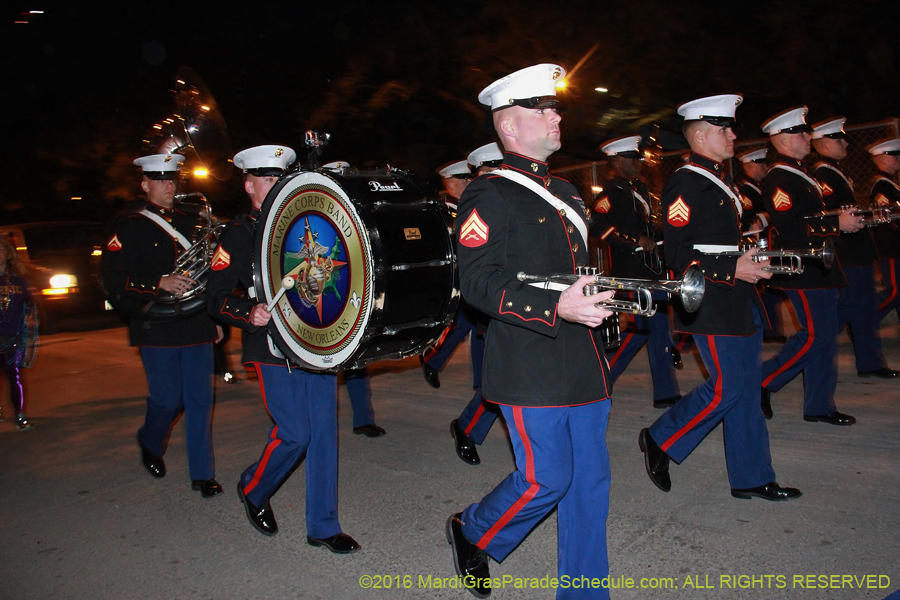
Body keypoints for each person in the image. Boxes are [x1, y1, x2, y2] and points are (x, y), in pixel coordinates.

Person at [447, 63, 616, 600]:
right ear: (508, 126)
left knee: (589, 485)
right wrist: (556, 307)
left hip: (584, 355)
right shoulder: (489, 194)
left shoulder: (564, 188)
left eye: (556, 108)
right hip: (528, 358)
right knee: (547, 479)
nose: (555, 117)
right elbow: (476, 282)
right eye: (542, 110)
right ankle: (471, 529)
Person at [637, 94, 800, 503]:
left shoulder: (719, 181)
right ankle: (659, 437)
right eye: (725, 129)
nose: (732, 135)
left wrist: (751, 260)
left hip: (736, 297)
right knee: (727, 389)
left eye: (731, 128)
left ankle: (752, 476)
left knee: (745, 390)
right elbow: (675, 252)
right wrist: (731, 269)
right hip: (708, 300)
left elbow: (718, 242)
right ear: (702, 134)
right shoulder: (685, 182)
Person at [205, 145, 359, 553]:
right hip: (271, 342)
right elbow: (215, 296)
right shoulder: (239, 233)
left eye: (281, 178)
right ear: (249, 184)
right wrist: (245, 312)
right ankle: (254, 488)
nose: (276, 186)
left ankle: (323, 526)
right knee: (294, 433)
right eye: (268, 180)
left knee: (324, 434)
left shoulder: (306, 223)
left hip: (317, 336)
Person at [102, 153, 222, 498]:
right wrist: (159, 282)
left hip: (196, 321)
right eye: (161, 180)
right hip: (156, 323)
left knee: (200, 400)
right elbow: (113, 279)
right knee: (168, 399)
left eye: (173, 180)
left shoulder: (191, 221)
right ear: (145, 184)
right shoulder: (128, 224)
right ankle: (150, 440)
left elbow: (208, 272)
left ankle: (203, 474)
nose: (169, 186)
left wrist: (215, 319)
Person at [759, 107, 861, 425]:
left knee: (826, 337)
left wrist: (839, 221)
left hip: (820, 266)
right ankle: (762, 380)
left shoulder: (802, 174)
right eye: (801, 133)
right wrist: (836, 224)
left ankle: (819, 404)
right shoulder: (778, 178)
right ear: (783, 140)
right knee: (817, 336)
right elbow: (791, 227)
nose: (808, 137)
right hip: (803, 268)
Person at [590, 135, 681, 409]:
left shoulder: (638, 188)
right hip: (631, 268)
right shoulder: (611, 193)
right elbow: (595, 225)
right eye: (630, 158)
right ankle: (602, 379)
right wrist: (633, 239)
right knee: (646, 329)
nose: (636, 162)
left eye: (637, 157)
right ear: (616, 161)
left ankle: (664, 391)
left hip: (652, 266)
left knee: (654, 328)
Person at [812, 117, 897, 379]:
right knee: (850, 305)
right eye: (839, 138)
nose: (845, 141)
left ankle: (871, 362)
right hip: (845, 250)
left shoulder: (835, 171)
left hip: (856, 250)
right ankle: (811, 349)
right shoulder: (823, 174)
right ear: (824, 144)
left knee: (865, 307)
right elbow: (830, 214)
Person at [449, 142, 506, 466]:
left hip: (521, 298)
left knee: (508, 378)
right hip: (495, 301)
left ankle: (467, 426)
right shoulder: (479, 201)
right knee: (501, 380)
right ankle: (467, 427)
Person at [420, 159, 485, 391]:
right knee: (469, 324)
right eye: (464, 178)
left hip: (470, 274)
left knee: (473, 325)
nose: (469, 182)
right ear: (449, 182)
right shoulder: (443, 210)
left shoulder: (469, 205)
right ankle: (479, 381)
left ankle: (478, 380)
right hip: (456, 277)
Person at [737, 148, 786, 343]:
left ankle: (772, 329)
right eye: (760, 163)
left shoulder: (759, 188)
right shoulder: (747, 192)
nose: (765, 167)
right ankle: (769, 330)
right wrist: (765, 217)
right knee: (763, 288)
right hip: (755, 244)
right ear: (748, 167)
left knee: (768, 288)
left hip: (765, 242)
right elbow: (749, 220)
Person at [0, 235, 37, 431]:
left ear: (8, 254)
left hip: (13, 335)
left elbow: (29, 303)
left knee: (14, 375)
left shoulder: (18, 280)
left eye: (1, 250)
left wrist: (28, 323)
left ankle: (20, 414)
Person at [868, 139, 900, 322]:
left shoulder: (890, 184)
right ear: (884, 159)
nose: (898, 159)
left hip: (895, 245)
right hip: (891, 246)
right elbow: (887, 218)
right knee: (895, 291)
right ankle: (864, 319)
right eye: (894, 155)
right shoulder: (882, 186)